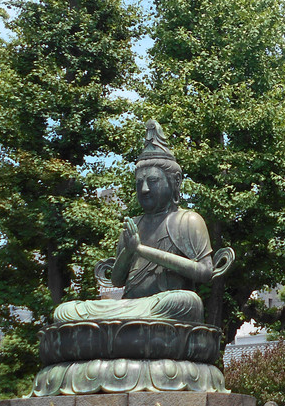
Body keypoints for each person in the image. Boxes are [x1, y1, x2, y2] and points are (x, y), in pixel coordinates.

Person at [52, 121, 223, 324]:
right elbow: (117, 280)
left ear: (174, 182)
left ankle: (123, 324)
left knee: (186, 301)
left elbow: (205, 272)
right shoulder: (133, 224)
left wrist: (141, 249)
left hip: (167, 307)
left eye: (152, 181)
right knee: (66, 311)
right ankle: (124, 322)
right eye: (139, 183)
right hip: (131, 306)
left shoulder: (188, 220)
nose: (144, 189)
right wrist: (129, 250)